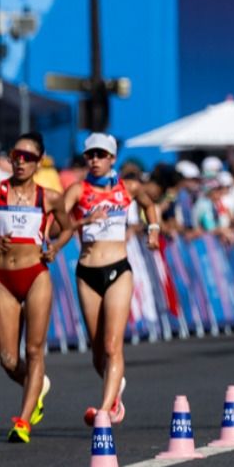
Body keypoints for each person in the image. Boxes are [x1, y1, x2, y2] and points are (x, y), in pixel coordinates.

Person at [0, 133, 69, 443]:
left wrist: (55, 246)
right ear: (10, 158)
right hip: (4, 277)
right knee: (8, 359)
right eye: (16, 155)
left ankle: (23, 421)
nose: (21, 161)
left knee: (34, 349)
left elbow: (67, 227)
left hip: (36, 274)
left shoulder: (49, 198)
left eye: (28, 157)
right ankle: (37, 387)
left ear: (39, 162)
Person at [56, 133, 160, 427]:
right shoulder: (78, 190)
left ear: (112, 158)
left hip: (118, 269)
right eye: (90, 155)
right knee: (98, 352)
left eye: (101, 155)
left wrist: (153, 229)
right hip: (87, 272)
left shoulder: (128, 187)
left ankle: (105, 410)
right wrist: (83, 221)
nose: (95, 161)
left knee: (114, 346)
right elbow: (55, 226)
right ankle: (115, 393)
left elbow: (149, 205)